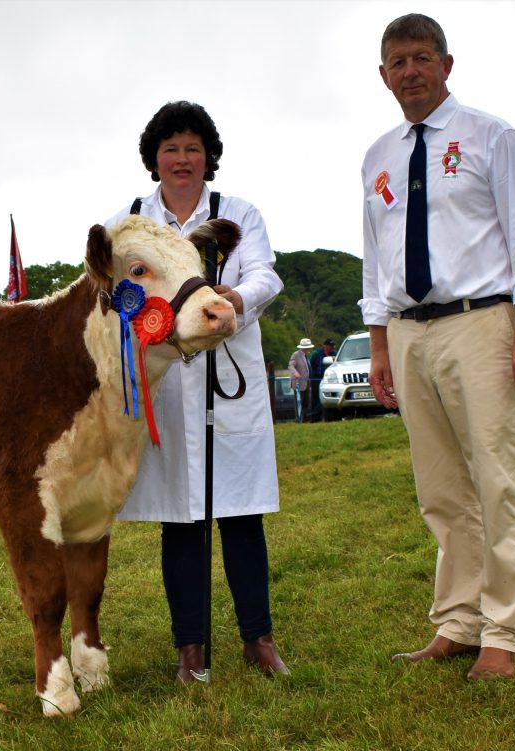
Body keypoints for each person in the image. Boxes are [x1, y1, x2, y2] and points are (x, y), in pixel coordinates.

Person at [360, 14, 515, 680]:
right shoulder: (378, 157)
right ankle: (459, 619)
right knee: (441, 486)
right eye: (398, 61)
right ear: (383, 75)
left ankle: (506, 628)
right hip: (412, 330)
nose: (411, 71)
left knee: (499, 477)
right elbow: (377, 261)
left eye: (423, 58)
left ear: (447, 65)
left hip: (482, 321)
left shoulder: (491, 137)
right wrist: (381, 345)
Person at [107, 100, 289, 682]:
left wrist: (232, 300)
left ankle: (257, 638)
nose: (181, 159)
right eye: (170, 148)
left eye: (192, 148)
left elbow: (264, 273)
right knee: (180, 518)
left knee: (239, 514)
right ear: (153, 158)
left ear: (208, 155)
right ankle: (191, 649)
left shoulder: (237, 212)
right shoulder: (130, 223)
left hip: (228, 372)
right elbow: (107, 295)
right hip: (160, 384)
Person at [307, 338, 335, 422]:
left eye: (333, 346)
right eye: (331, 346)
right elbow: (310, 365)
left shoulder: (334, 354)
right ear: (325, 346)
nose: (332, 348)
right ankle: (314, 418)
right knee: (316, 398)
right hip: (316, 379)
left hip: (328, 380)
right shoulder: (316, 354)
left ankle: (325, 417)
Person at [288, 338, 314, 422]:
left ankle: (305, 418)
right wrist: (295, 373)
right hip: (298, 383)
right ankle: (299, 419)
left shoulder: (305, 356)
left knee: (306, 402)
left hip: (306, 382)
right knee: (299, 402)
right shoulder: (296, 355)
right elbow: (291, 366)